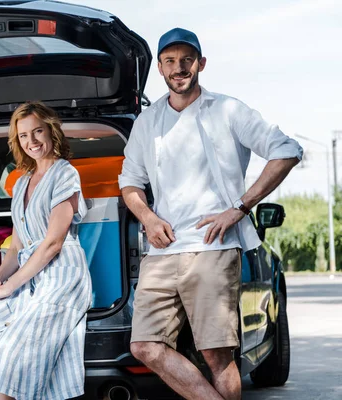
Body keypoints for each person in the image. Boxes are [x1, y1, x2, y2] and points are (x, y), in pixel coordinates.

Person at [119, 28, 303, 400]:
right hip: (162, 250)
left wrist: (239, 208)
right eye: (170, 61)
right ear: (159, 68)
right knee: (144, 347)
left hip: (213, 247)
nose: (179, 67)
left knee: (216, 354)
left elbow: (286, 150)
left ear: (201, 63)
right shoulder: (147, 122)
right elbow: (129, 184)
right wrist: (149, 218)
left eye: (187, 59)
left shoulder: (228, 110)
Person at [0, 101, 92, 400]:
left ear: (51, 132)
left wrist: (11, 285)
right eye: (23, 136)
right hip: (26, 277)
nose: (32, 141)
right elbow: (17, 246)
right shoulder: (20, 184)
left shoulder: (65, 174)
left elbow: (52, 244)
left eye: (37, 132)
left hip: (61, 277)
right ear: (17, 141)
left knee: (10, 352)